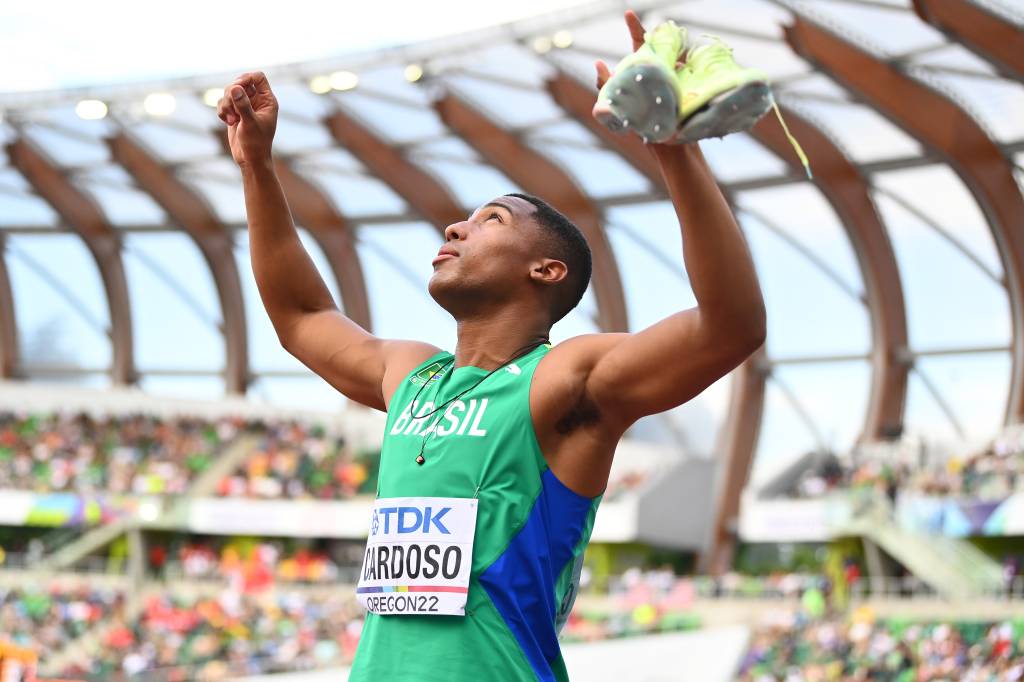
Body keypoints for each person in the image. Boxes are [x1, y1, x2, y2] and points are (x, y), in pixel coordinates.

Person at [217, 10, 765, 681]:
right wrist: (257, 166)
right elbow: (302, 314)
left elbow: (730, 326)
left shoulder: (566, 381)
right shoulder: (411, 376)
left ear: (547, 271)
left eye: (490, 221)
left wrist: (672, 149)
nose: (455, 226)